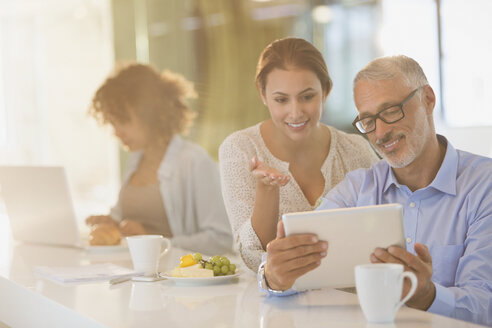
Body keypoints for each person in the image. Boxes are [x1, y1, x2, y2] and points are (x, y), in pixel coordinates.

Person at [259, 55, 492, 326]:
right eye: (368, 120)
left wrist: (428, 297)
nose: (380, 133)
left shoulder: (483, 186)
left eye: (391, 111)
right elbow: (291, 274)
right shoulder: (357, 189)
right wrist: (274, 276)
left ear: (427, 99)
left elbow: (485, 304)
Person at [219, 37, 379, 272]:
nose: (295, 113)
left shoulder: (356, 150)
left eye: (307, 97)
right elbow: (254, 259)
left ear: (326, 91)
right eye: (281, 100)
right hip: (274, 304)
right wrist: (267, 191)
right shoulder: (240, 149)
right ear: (263, 94)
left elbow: (384, 232)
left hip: (350, 298)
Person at [86, 63, 233, 255]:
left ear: (149, 113)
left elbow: (220, 240)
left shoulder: (194, 162)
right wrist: (112, 222)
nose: (116, 132)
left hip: (176, 276)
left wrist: (160, 242)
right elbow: (130, 222)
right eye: (113, 123)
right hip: (136, 271)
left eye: (123, 121)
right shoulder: (135, 160)